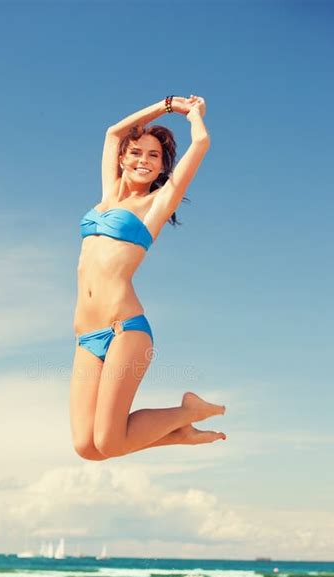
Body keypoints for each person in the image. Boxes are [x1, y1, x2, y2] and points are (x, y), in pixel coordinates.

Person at [70, 95, 227, 460]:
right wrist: (165, 105)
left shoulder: (156, 205)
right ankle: (180, 434)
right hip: (85, 337)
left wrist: (194, 116)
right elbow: (113, 133)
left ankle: (188, 411)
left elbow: (201, 143)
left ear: (161, 168)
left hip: (124, 329)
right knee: (86, 448)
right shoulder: (107, 196)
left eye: (154, 156)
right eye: (138, 152)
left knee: (108, 441)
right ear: (124, 158)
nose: (144, 160)